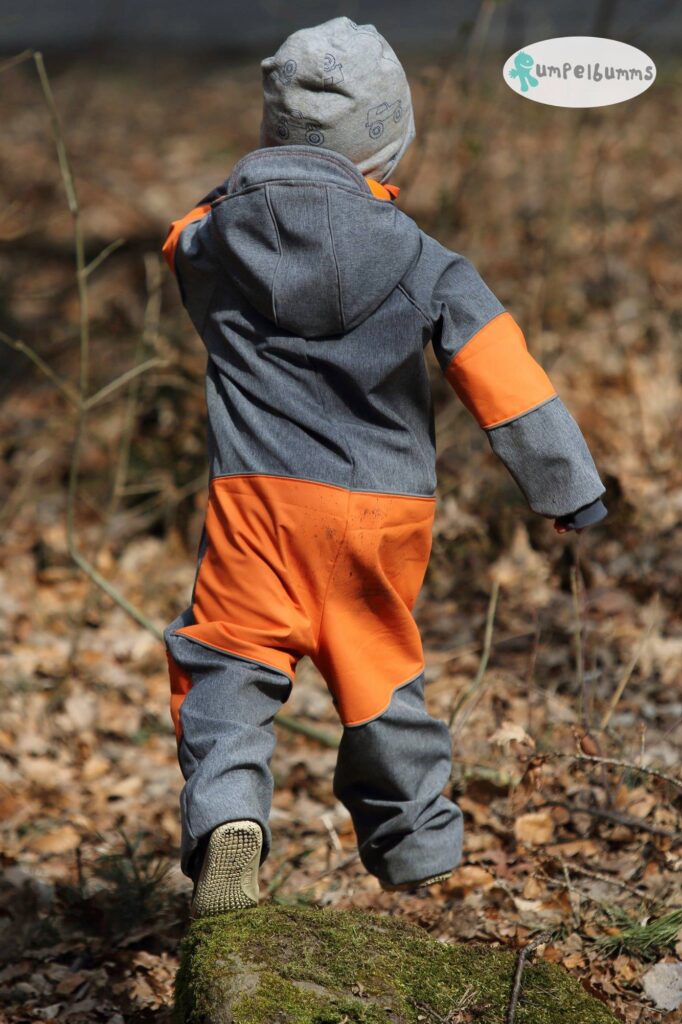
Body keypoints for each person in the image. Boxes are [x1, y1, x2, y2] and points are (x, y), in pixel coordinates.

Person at [161, 16, 607, 917]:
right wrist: (569, 489)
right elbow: (505, 379)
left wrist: (246, 189)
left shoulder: (217, 248)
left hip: (257, 502)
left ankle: (229, 821)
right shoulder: (425, 263)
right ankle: (412, 839)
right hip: (379, 510)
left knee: (227, 664)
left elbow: (182, 238)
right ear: (388, 140)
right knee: (376, 672)